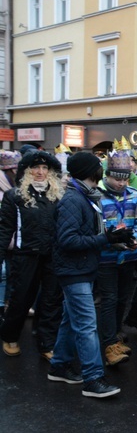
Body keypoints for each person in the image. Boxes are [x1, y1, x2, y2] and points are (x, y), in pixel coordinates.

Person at [48, 152, 126, 398]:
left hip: (81, 267)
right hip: (74, 270)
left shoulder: (84, 195)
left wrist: (114, 239)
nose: (101, 170)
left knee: (71, 321)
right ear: (91, 172)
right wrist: (106, 239)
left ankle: (59, 366)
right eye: (98, 168)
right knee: (86, 325)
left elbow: (84, 233)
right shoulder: (74, 199)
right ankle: (93, 378)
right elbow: (68, 240)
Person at [0, 151, 64, 359]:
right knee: (20, 300)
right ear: (27, 171)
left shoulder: (57, 195)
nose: (40, 172)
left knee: (51, 300)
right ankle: (10, 336)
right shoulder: (15, 195)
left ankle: (46, 342)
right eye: (35, 168)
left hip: (52, 256)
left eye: (45, 168)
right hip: (25, 256)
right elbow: (5, 229)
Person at [97, 147, 137, 366]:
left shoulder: (134, 195)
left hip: (128, 256)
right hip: (106, 257)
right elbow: (96, 229)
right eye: (116, 179)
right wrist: (111, 239)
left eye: (125, 179)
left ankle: (116, 334)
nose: (121, 183)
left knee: (122, 298)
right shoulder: (98, 197)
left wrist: (135, 237)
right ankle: (109, 345)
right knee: (108, 300)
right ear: (107, 176)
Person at [0, 150, 21, 318]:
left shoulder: (14, 188)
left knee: (10, 275)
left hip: (14, 240)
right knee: (4, 274)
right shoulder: (8, 190)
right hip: (7, 238)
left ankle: (6, 305)